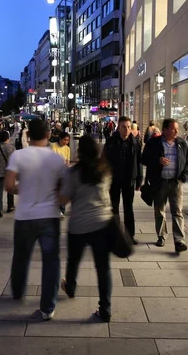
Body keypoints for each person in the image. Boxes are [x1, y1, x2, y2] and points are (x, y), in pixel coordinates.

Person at [5, 118, 67, 321]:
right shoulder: (56, 159)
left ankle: (17, 291)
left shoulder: (18, 155)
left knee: (21, 256)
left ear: (28, 135)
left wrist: (20, 189)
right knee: (51, 262)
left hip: (24, 216)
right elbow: (63, 189)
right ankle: (48, 308)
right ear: (48, 135)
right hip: (49, 216)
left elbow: (8, 185)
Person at [59, 135, 113, 322]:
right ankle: (105, 309)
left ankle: (71, 287)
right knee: (103, 268)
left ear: (79, 151)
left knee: (73, 260)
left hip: (79, 225)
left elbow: (63, 200)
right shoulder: (105, 171)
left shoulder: (73, 173)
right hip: (102, 224)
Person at [141, 118, 188, 253]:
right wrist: (158, 160)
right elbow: (143, 158)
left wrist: (183, 177)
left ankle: (179, 240)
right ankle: (162, 236)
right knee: (159, 210)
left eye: (177, 129)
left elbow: (187, 161)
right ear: (165, 130)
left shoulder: (181, 143)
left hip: (175, 183)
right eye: (173, 129)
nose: (176, 131)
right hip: (159, 182)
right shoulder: (154, 143)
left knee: (178, 212)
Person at [102, 116, 143, 244]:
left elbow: (139, 162)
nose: (127, 129)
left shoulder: (135, 143)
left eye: (129, 127)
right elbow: (104, 161)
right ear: (118, 128)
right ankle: (115, 235)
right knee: (114, 208)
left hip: (129, 180)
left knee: (128, 208)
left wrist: (139, 180)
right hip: (114, 180)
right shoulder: (111, 141)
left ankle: (130, 235)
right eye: (124, 127)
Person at [0, 131, 15, 218]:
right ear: (7, 138)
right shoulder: (12, 148)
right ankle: (10, 206)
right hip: (10, 172)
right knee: (10, 189)